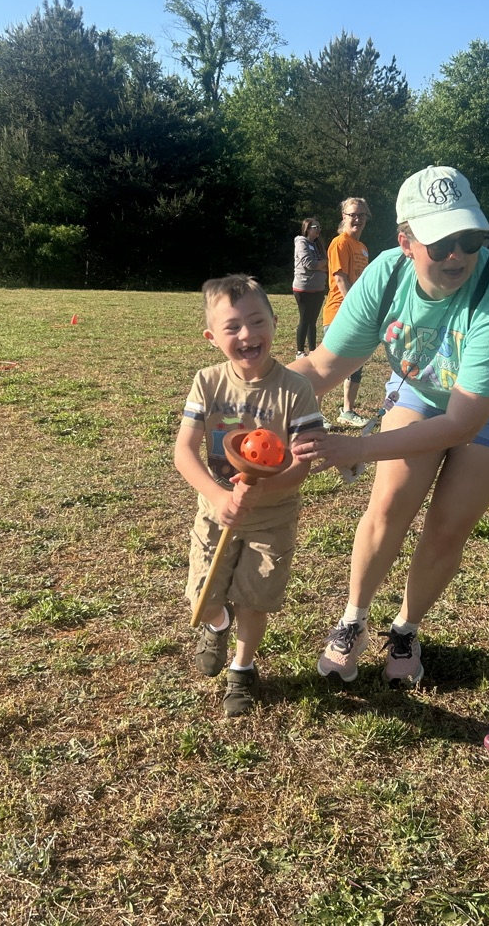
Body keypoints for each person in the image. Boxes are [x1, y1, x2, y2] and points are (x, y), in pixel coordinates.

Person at [289, 165, 489, 686]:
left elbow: (462, 424)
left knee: (447, 524)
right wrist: (248, 397)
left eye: (470, 239)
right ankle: (353, 621)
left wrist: (356, 449)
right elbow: (323, 366)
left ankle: (406, 629)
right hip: (424, 381)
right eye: (440, 243)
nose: (457, 255)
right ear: (406, 242)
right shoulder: (386, 275)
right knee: (390, 503)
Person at [174, 275, 323, 717]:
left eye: (257, 322)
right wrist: (219, 497)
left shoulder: (296, 389)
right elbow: (184, 452)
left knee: (253, 601)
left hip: (271, 520)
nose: (247, 334)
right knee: (204, 599)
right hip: (215, 514)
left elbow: (301, 465)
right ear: (212, 337)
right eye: (233, 326)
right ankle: (217, 625)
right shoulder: (207, 383)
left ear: (275, 323)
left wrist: (260, 492)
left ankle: (242, 669)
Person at [323, 197, 372, 428]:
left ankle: (348, 411)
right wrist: (356, 308)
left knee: (355, 364)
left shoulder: (363, 248)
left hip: (357, 313)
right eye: (353, 215)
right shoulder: (339, 243)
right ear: (344, 216)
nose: (357, 219)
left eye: (362, 215)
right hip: (339, 313)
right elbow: (340, 279)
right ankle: (314, 414)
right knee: (328, 366)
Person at [293, 217, 328, 358]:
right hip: (304, 288)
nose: (319, 229)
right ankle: (300, 352)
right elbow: (310, 264)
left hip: (318, 289)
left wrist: (321, 264)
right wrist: (322, 263)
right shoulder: (301, 242)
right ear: (307, 229)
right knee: (305, 319)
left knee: (313, 321)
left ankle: (313, 351)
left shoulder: (318, 244)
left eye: (319, 227)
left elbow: (326, 264)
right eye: (315, 227)